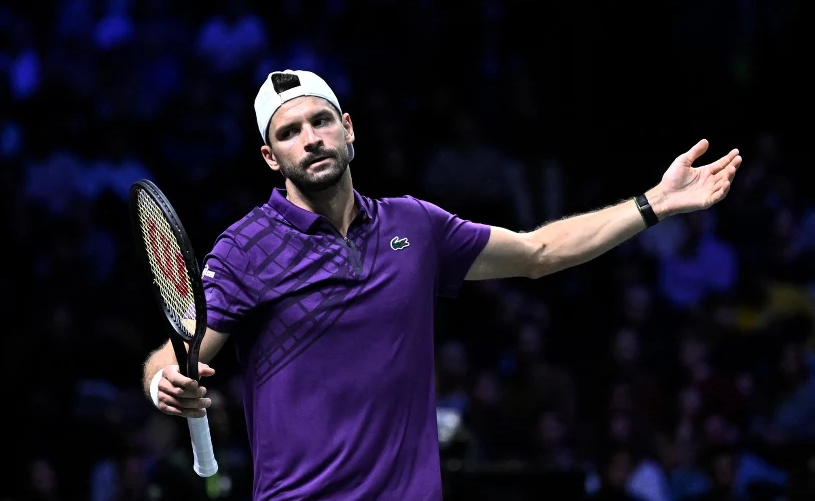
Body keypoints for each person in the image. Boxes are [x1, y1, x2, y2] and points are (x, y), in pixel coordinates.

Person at [141, 69, 742, 500]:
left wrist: (654, 203)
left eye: (321, 121)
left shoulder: (415, 225)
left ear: (348, 129)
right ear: (271, 157)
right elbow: (176, 354)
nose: (311, 138)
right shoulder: (247, 249)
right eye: (289, 132)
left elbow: (538, 252)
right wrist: (160, 383)